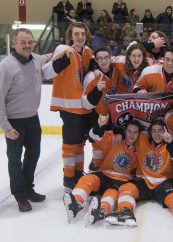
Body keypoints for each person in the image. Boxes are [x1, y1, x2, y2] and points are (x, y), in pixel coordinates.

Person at [105, 120, 173, 232]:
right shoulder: (142, 139)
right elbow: (131, 133)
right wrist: (120, 134)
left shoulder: (170, 143)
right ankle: (125, 212)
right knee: (125, 188)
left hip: (163, 183)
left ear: (165, 131)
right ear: (150, 132)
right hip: (143, 182)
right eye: (154, 131)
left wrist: (170, 142)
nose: (157, 134)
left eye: (160, 131)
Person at [42, 22, 94, 191]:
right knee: (71, 144)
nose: (80, 37)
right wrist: (65, 58)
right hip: (68, 107)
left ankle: (78, 173)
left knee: (80, 143)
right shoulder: (62, 50)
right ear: (70, 36)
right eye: (76, 34)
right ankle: (68, 177)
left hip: (83, 107)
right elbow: (47, 72)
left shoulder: (87, 52)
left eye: (82, 34)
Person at [0, 28, 48, 212]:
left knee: (33, 154)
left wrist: (68, 49)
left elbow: (49, 56)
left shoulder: (35, 58)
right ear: (14, 44)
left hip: (33, 119)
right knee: (15, 160)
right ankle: (20, 196)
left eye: (30, 42)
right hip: (14, 122)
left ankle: (28, 188)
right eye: (23, 42)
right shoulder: (6, 66)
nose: (27, 45)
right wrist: (6, 127)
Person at [63, 118, 141, 225]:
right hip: (104, 175)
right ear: (124, 131)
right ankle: (76, 202)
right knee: (88, 178)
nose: (132, 135)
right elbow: (93, 136)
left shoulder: (140, 148)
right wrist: (99, 125)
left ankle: (102, 210)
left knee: (111, 194)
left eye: (135, 132)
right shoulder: (114, 139)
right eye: (129, 131)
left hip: (121, 181)